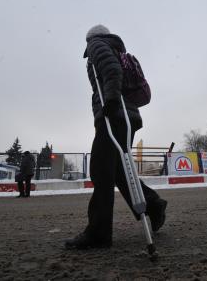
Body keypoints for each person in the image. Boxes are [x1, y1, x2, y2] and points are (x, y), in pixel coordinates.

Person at [65, 25, 168, 250]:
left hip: (114, 113)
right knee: (119, 171)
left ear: (90, 37)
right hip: (126, 115)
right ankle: (153, 205)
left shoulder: (97, 45)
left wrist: (110, 101)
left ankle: (98, 233)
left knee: (101, 171)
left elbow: (112, 71)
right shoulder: (114, 47)